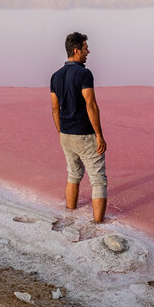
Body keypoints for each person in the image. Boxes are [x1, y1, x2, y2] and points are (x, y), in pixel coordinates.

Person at [50, 32, 108, 223]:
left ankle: (69, 214)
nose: (88, 52)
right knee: (98, 180)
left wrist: (61, 132)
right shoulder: (84, 74)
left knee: (73, 174)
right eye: (85, 48)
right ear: (76, 50)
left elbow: (54, 108)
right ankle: (98, 225)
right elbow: (91, 104)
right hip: (84, 134)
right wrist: (99, 134)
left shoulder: (55, 76)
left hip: (66, 134)